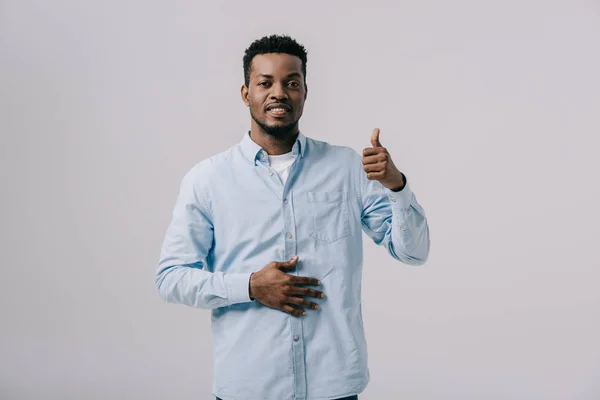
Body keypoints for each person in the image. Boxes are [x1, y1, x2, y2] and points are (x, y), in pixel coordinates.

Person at [156, 34, 430, 400]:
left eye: (291, 83)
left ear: (304, 91)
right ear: (245, 93)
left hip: (332, 386)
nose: (279, 93)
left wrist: (396, 186)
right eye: (265, 83)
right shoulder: (207, 180)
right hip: (248, 387)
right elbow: (171, 279)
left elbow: (413, 252)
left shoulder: (347, 167)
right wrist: (250, 286)